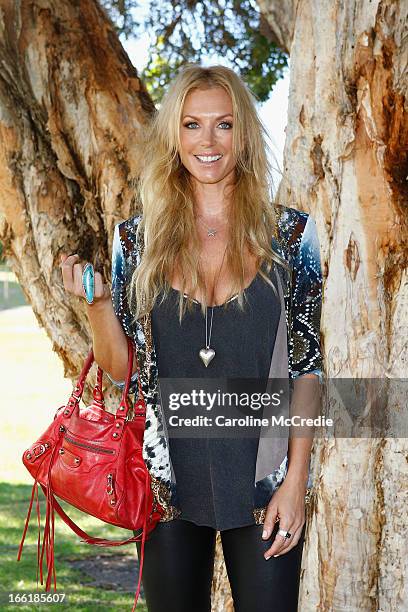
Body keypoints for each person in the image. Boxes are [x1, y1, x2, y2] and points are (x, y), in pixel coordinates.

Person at [60, 64, 323, 612]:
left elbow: (307, 368)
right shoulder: (136, 242)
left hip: (263, 484)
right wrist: (100, 304)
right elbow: (121, 368)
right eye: (192, 125)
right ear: (174, 138)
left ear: (243, 135)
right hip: (167, 490)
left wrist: (295, 481)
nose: (208, 142)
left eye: (223, 125)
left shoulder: (293, 236)